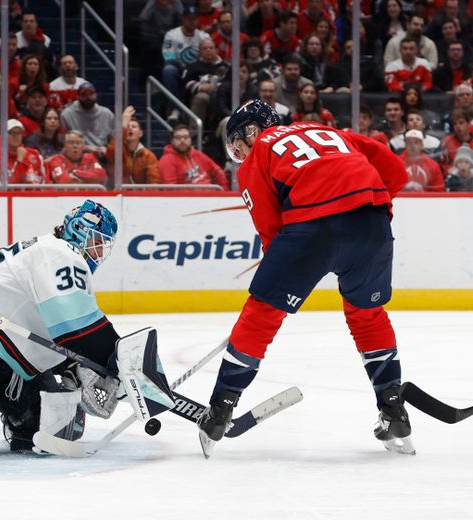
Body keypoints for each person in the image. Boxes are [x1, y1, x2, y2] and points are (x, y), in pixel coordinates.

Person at [200, 99, 411, 458]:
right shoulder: (327, 130)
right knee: (367, 314)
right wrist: (357, 204)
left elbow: (271, 230)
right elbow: (396, 173)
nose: (239, 152)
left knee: (263, 314)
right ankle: (393, 407)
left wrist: (274, 289)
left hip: (314, 226)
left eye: (239, 142)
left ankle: (221, 408)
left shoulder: (259, 154)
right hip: (373, 220)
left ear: (254, 130)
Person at [0, 200, 120, 452]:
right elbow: (78, 331)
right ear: (81, 231)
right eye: (97, 242)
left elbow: (52, 327)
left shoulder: (55, 256)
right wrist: (117, 361)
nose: (99, 252)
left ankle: (12, 410)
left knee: (60, 432)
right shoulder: (58, 254)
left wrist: (73, 365)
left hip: (17, 367)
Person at [106, 106, 162, 185]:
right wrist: (123, 125)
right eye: (128, 126)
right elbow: (111, 152)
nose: (130, 129)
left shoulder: (148, 156)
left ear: (141, 133)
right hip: (118, 193)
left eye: (134, 127)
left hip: (140, 195)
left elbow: (154, 181)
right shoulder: (118, 149)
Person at [158, 124, 228, 188]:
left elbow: (218, 172)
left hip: (210, 195)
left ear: (190, 139)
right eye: (178, 137)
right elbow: (171, 188)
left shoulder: (197, 154)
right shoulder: (166, 160)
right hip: (187, 199)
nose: (182, 140)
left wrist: (224, 192)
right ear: (172, 141)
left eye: (186, 137)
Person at [60, 83, 115, 155]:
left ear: (96, 95)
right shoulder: (67, 114)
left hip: (102, 156)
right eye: (84, 95)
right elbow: (63, 143)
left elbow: (114, 140)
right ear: (78, 96)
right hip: (76, 155)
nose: (88, 97)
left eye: (91, 94)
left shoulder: (107, 114)